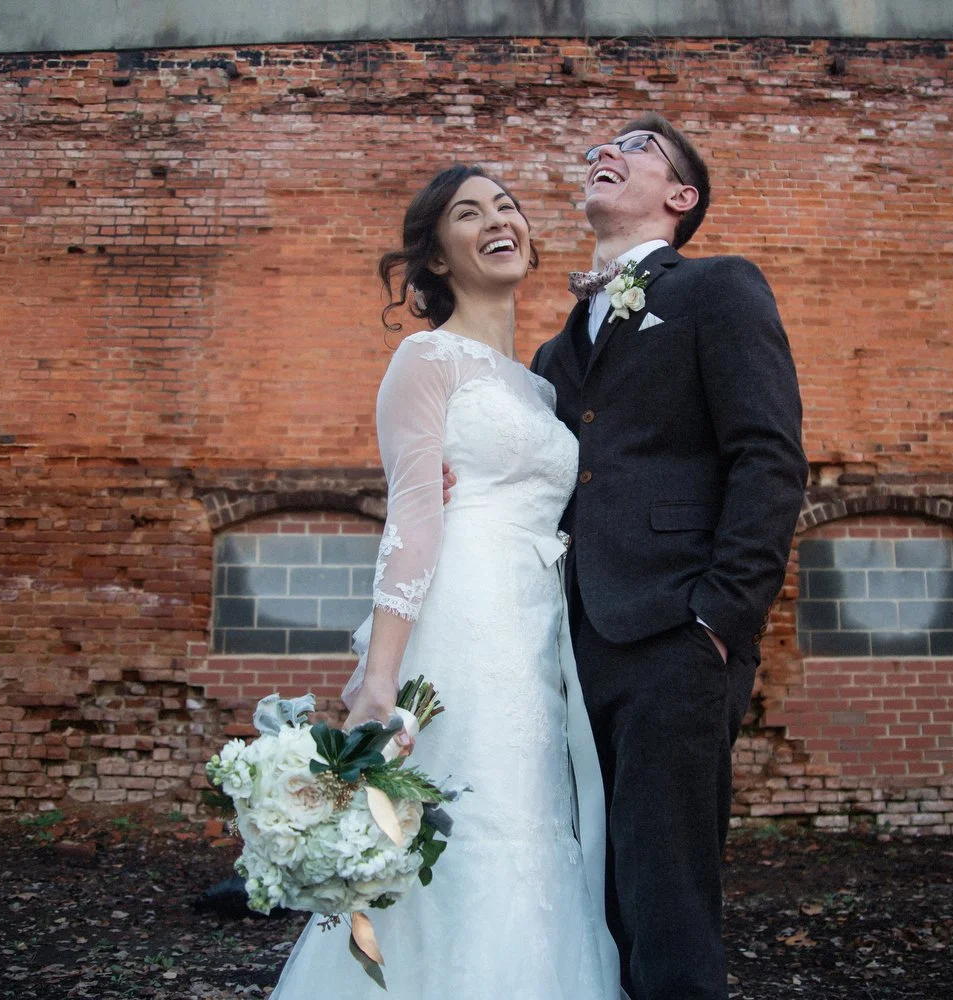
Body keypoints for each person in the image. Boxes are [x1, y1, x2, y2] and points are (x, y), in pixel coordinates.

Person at [268, 165, 623, 998]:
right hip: (462, 619)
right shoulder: (425, 361)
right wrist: (380, 677)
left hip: (540, 629)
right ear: (435, 257)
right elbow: (413, 520)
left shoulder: (541, 385)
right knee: (465, 827)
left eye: (507, 207)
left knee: (536, 828)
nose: (498, 220)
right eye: (469, 214)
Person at [529, 114, 808, 1000]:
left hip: (674, 635)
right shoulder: (555, 346)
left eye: (636, 147)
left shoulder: (720, 289)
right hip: (572, 644)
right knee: (594, 893)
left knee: (669, 897)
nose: (605, 152)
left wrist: (720, 619)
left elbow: (768, 455)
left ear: (680, 199)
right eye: (599, 147)